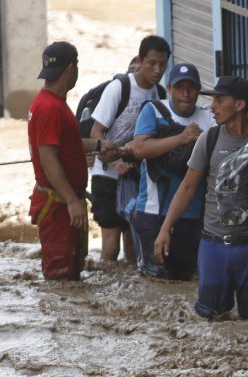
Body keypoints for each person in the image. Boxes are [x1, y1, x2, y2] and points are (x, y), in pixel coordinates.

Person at [154, 75, 248, 321]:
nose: (212, 107)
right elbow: (187, 188)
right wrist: (165, 228)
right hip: (214, 245)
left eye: (219, 100)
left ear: (240, 105)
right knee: (211, 321)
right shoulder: (209, 139)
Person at [27, 41, 116, 280]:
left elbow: (66, 143)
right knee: (61, 280)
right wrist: (71, 201)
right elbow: (49, 160)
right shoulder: (50, 108)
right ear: (70, 69)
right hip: (58, 206)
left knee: (71, 274)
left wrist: (99, 145)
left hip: (62, 202)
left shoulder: (50, 103)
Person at [89, 35, 171, 264]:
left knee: (134, 242)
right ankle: (107, 291)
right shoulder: (120, 87)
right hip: (106, 173)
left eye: (162, 65)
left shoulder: (160, 95)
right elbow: (97, 132)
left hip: (138, 177)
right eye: (151, 63)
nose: (157, 70)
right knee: (111, 242)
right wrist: (116, 163)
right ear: (140, 60)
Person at [129, 63, 214, 280]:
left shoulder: (209, 118)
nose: (185, 93)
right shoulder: (154, 110)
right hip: (154, 213)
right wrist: (182, 138)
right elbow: (139, 149)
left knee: (187, 281)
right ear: (169, 88)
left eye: (191, 88)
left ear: (198, 90)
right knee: (155, 281)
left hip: (193, 217)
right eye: (179, 87)